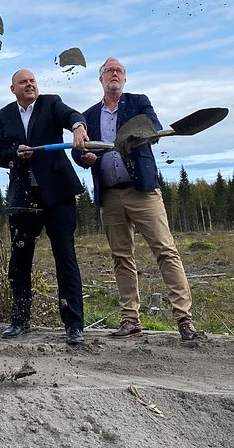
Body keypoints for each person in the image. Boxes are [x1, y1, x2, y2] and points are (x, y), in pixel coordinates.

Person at [72, 57, 198, 341]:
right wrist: (85, 157)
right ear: (100, 78)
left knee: (166, 251)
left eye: (119, 71)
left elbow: (152, 128)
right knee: (121, 258)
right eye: (109, 71)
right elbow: (78, 153)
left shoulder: (139, 102)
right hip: (110, 195)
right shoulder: (89, 115)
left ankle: (184, 319)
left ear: (125, 79)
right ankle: (130, 319)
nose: (114, 74)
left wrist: (133, 136)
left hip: (143, 191)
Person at [0, 69, 88, 345]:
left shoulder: (51, 103)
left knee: (65, 256)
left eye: (32, 81)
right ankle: (20, 320)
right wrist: (15, 154)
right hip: (23, 199)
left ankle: (73, 325)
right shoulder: (2, 116)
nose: (30, 84)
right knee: (19, 260)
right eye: (23, 82)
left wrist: (79, 126)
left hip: (58, 195)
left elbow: (71, 116)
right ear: (13, 89)